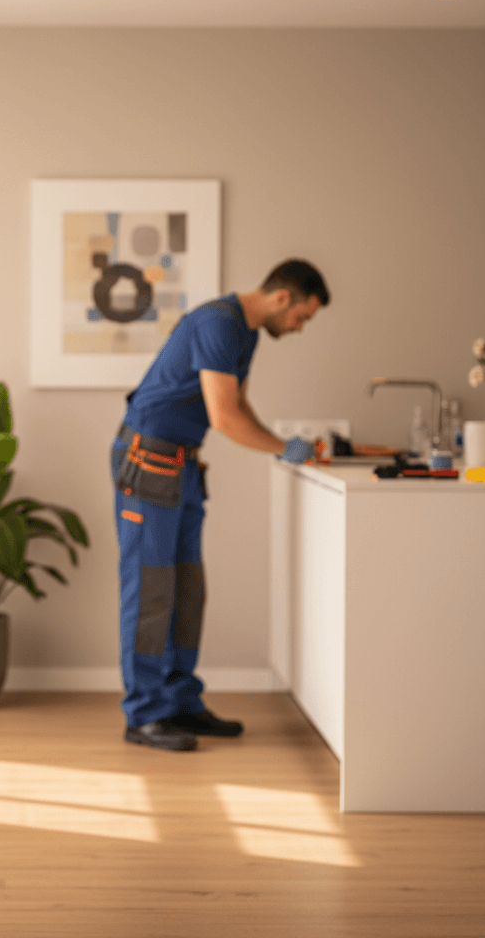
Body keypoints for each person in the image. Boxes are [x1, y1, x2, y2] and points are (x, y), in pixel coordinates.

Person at [111, 259, 330, 751]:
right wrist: (281, 448)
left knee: (188, 590)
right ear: (281, 299)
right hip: (147, 463)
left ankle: (180, 701)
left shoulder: (245, 334)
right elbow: (225, 417)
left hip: (184, 466)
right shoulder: (218, 323)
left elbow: (238, 404)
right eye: (302, 317)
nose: (298, 328)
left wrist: (281, 441)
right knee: (151, 592)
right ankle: (144, 714)